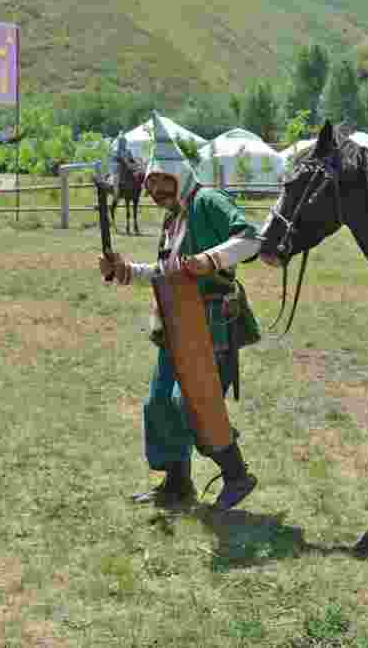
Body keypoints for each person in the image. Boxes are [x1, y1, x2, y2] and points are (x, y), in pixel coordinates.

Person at [98, 166, 262, 511]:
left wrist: (210, 259)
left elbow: (251, 239)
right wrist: (125, 270)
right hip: (175, 319)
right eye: (150, 183)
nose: (155, 189)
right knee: (159, 402)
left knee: (192, 401)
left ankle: (236, 474)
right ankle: (176, 483)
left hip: (210, 319)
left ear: (180, 175)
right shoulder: (174, 218)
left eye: (162, 180)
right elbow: (167, 273)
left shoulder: (207, 201)